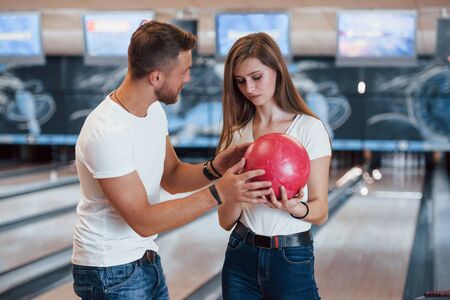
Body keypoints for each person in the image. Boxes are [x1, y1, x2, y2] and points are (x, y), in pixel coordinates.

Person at [72, 21, 273, 300]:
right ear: (156, 78)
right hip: (110, 270)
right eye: (184, 71)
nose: (188, 78)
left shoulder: (153, 111)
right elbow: (143, 220)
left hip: (145, 259)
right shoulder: (106, 133)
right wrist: (220, 192)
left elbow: (173, 176)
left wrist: (217, 167)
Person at [217, 32, 332, 300]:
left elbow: (321, 210)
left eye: (256, 77)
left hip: (291, 257)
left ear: (277, 70)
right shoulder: (236, 136)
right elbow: (225, 220)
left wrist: (293, 207)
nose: (249, 88)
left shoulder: (309, 129)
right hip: (240, 255)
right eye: (240, 81)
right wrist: (237, 193)